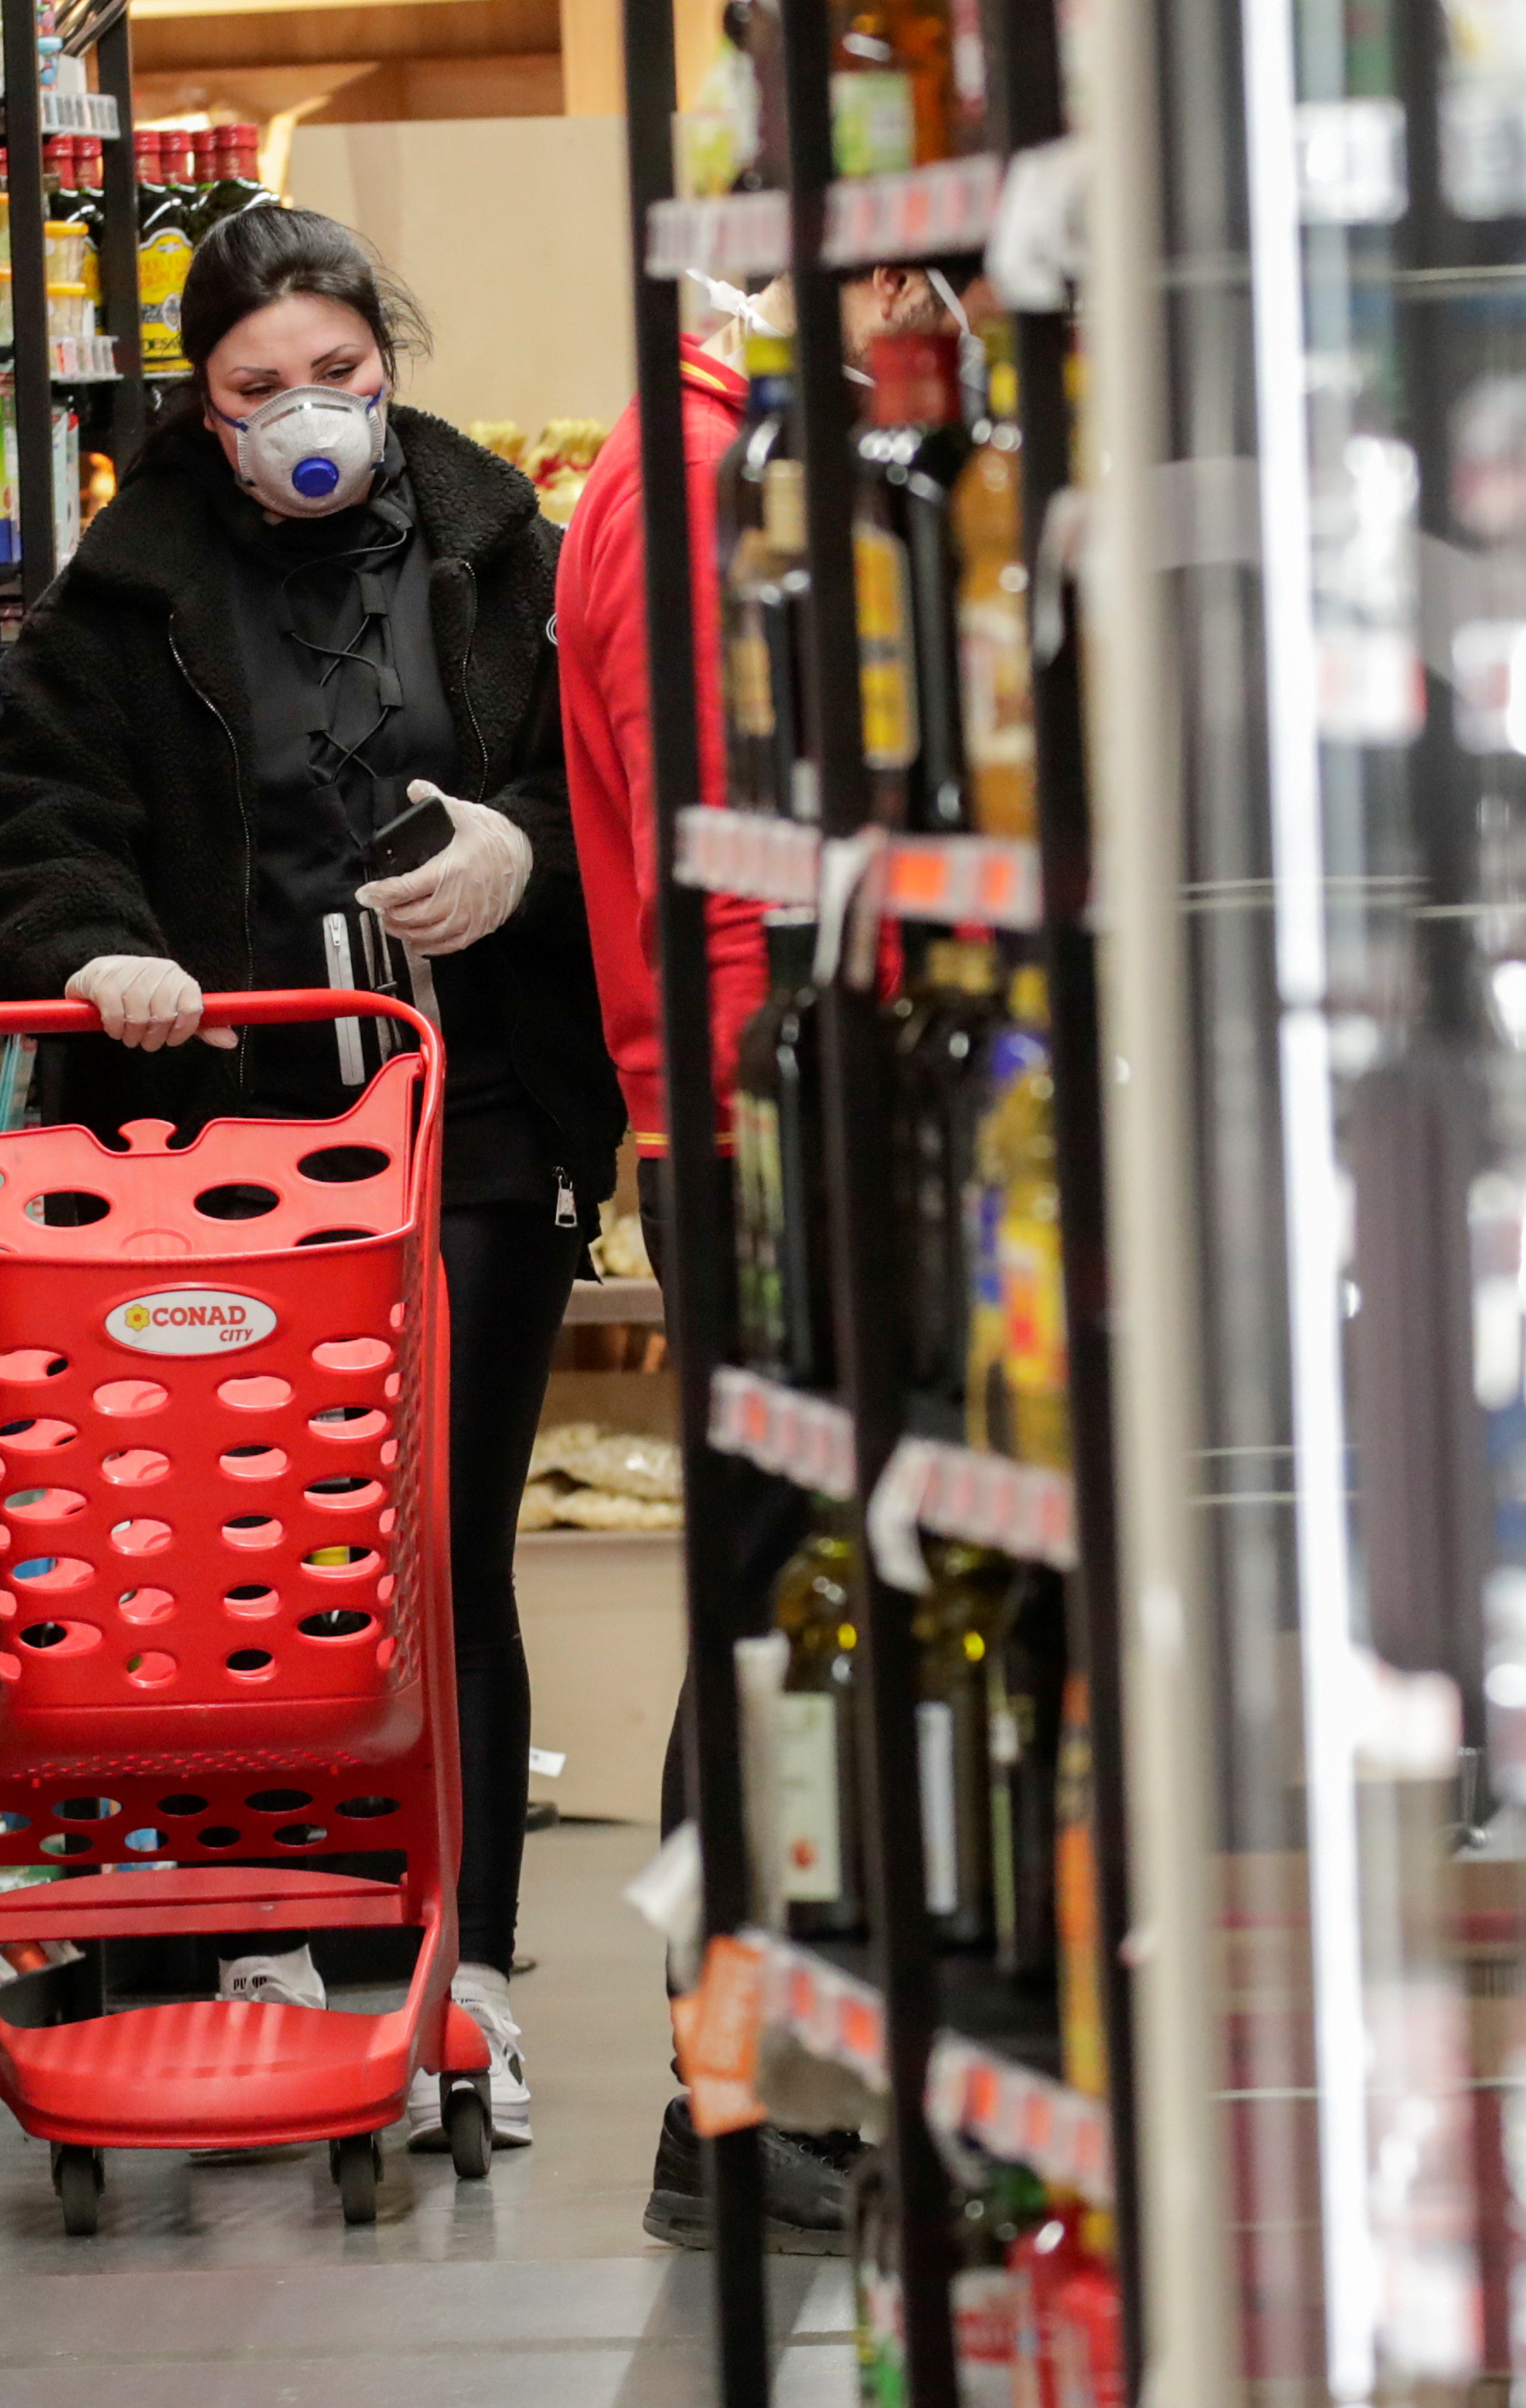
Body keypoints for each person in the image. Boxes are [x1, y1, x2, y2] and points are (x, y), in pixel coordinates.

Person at [0, 203, 624, 2152]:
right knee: (241, 1548)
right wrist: (96, 956)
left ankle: (465, 1973)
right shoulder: (129, 587)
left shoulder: (505, 551)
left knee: (439, 1548)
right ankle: (262, 1938)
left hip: (472, 1110)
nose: (305, 419)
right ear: (201, 404)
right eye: (260, 392)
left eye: (338, 378)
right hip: (216, 1149)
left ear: (389, 368)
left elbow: (610, 772)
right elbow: (31, 821)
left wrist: (520, 856)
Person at [552, 262, 950, 2250]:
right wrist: (795, 1124)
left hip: (766, 1127)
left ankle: (774, 2088)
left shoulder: (724, 455)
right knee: (782, 1626)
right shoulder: (704, 479)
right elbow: (732, 875)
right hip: (761, 1140)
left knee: (794, 1618)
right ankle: (742, 2106)